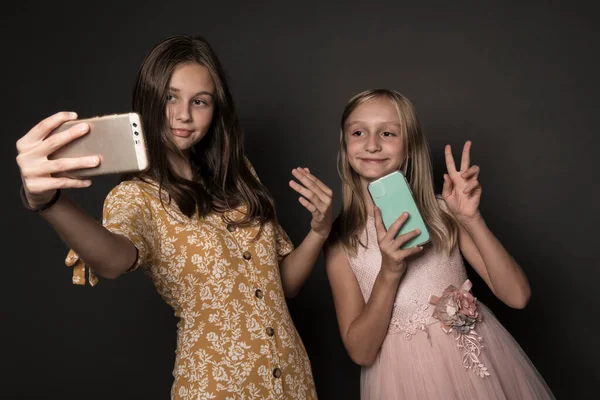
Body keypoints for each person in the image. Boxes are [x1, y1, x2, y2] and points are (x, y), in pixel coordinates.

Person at [16, 35, 332, 400]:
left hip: (294, 382)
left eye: (199, 101)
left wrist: (319, 232)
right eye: (170, 97)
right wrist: (49, 201)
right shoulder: (137, 197)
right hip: (215, 389)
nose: (183, 115)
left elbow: (284, 286)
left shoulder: (240, 176)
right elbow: (113, 260)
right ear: (149, 99)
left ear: (216, 110)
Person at [324, 89, 555, 399]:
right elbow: (362, 353)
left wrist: (472, 220)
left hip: (476, 371)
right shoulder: (343, 243)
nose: (372, 144)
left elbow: (517, 296)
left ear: (408, 147)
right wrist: (390, 271)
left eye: (388, 132)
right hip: (403, 383)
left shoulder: (443, 212)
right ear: (345, 145)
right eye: (358, 132)